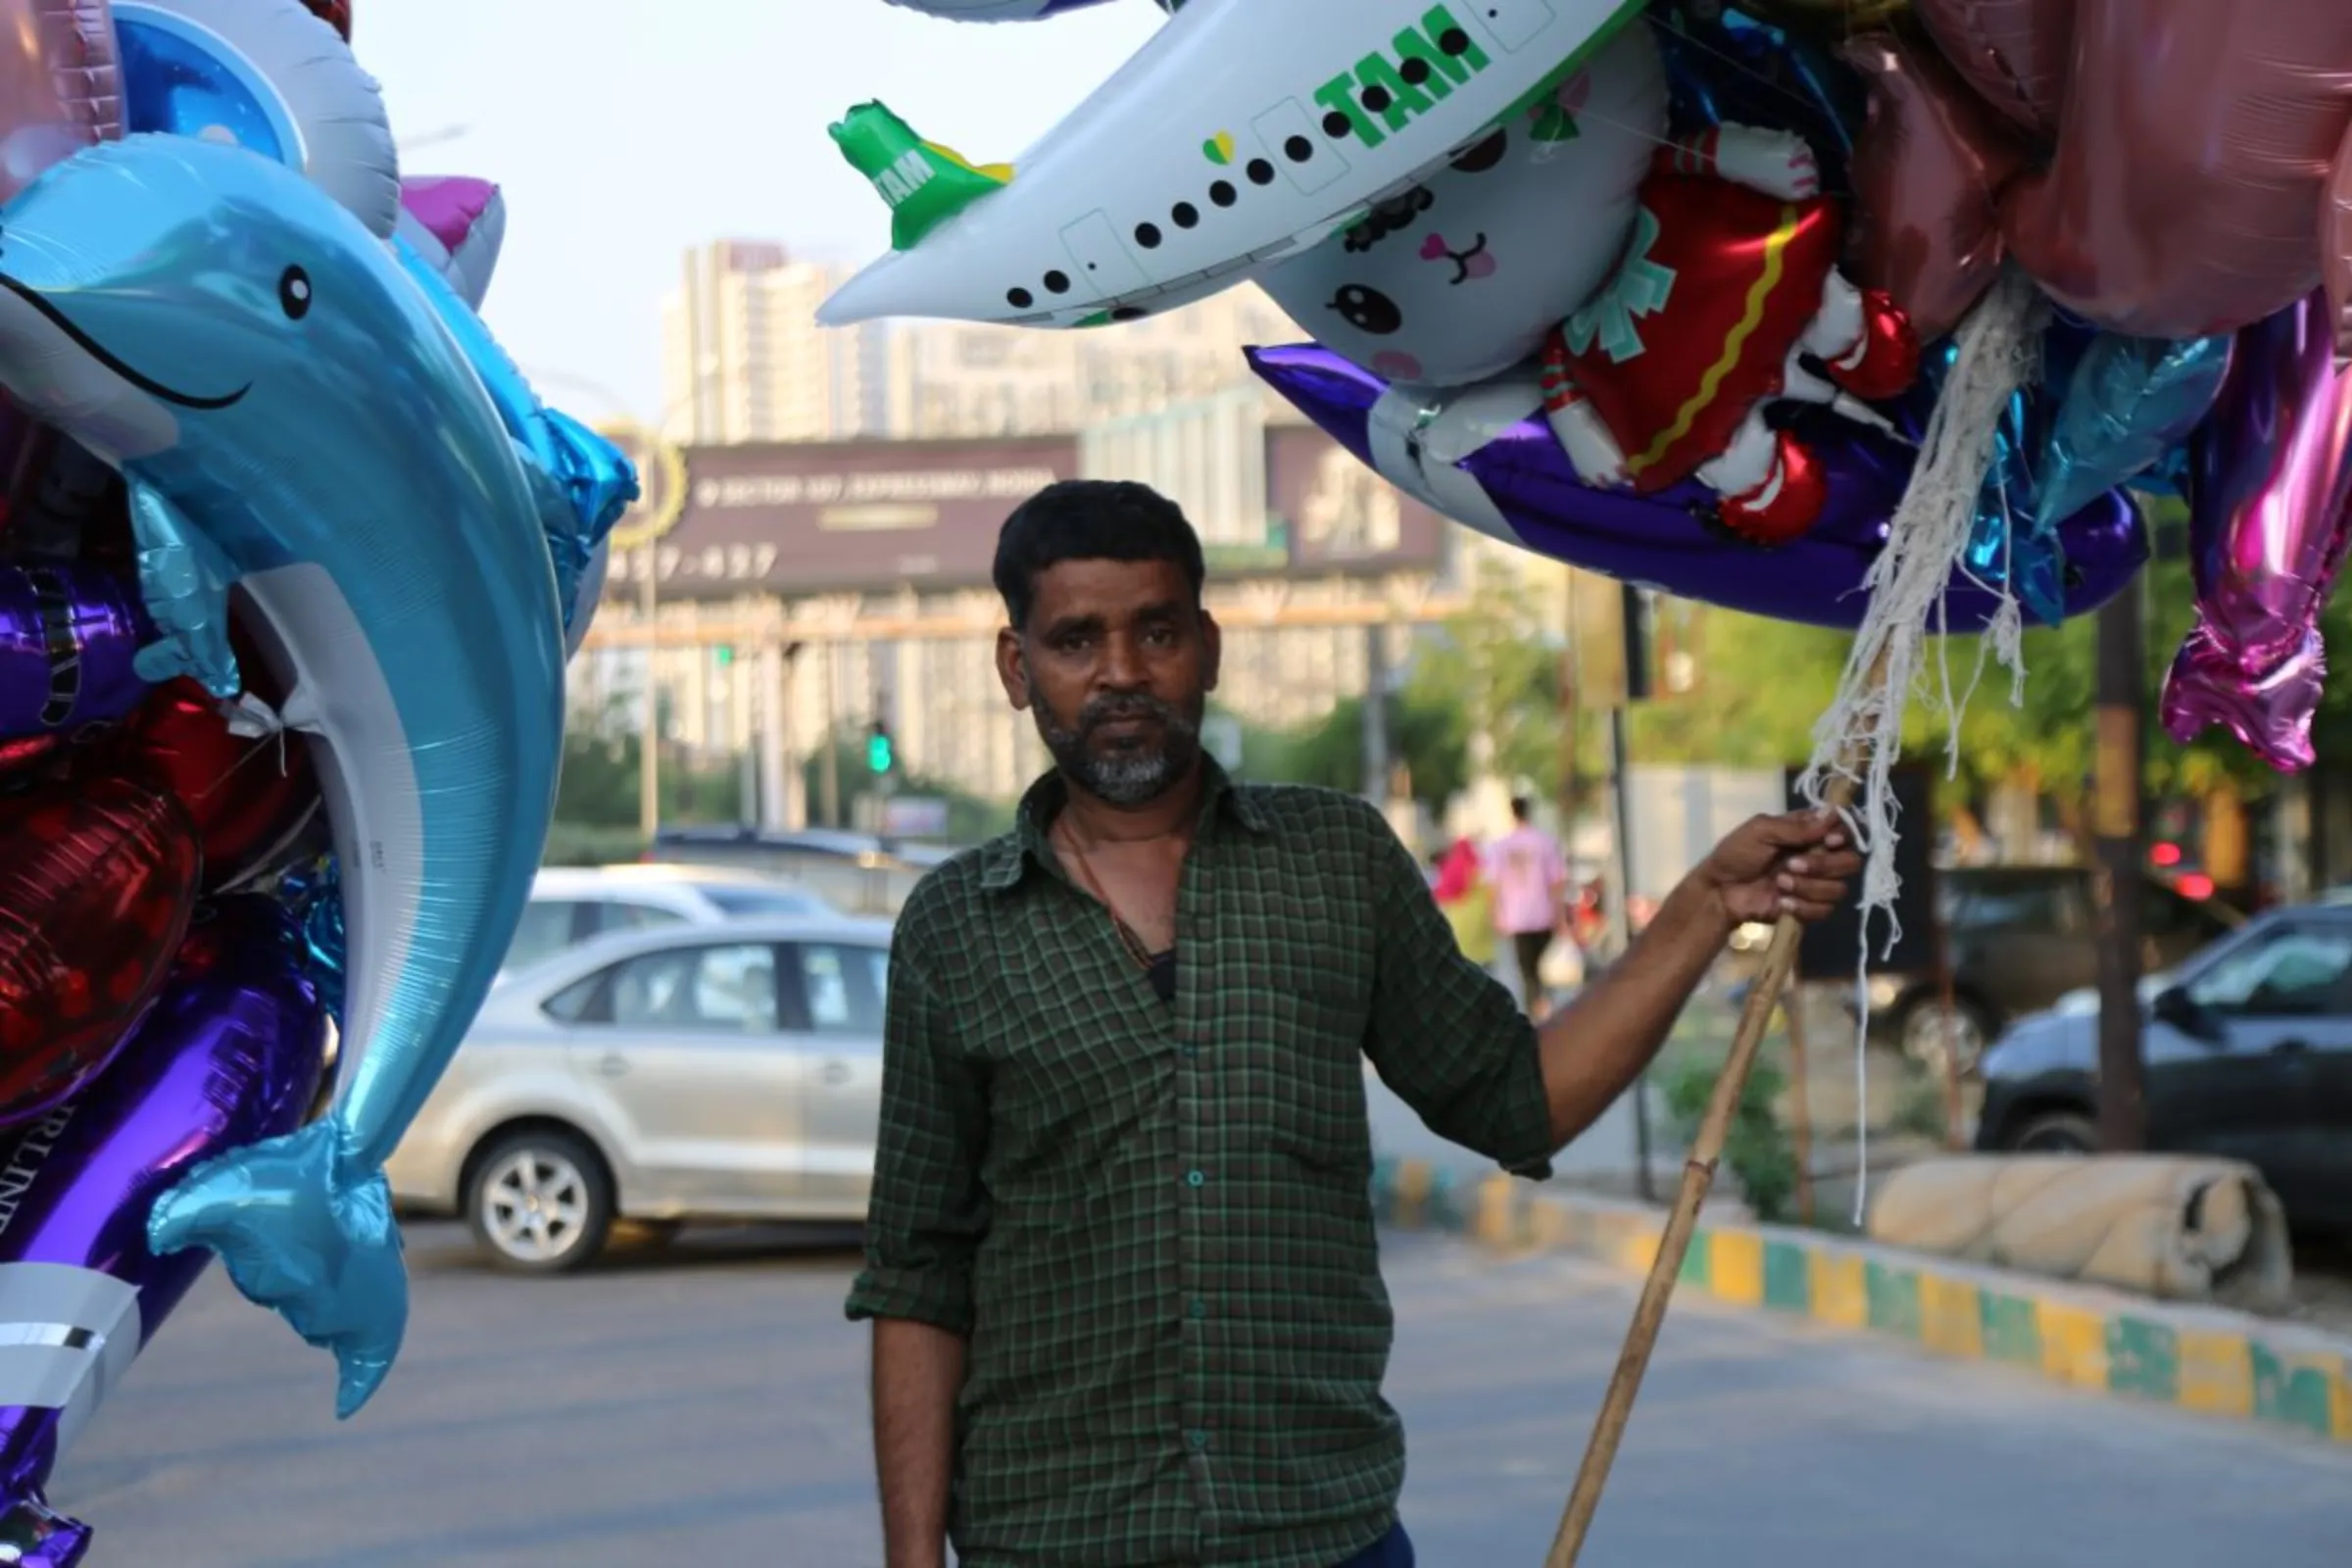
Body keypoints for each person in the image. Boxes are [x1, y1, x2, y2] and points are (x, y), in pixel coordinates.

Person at [847, 479, 1859, 1568]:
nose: (1123, 672)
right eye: (1076, 639)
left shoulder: (1336, 864)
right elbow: (920, 1271)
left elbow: (1523, 1098)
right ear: (1017, 668)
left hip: (1320, 1531)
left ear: (1210, 645)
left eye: (1157, 629)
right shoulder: (954, 929)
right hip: (1055, 1538)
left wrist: (1709, 902)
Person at [1487, 796, 1571, 1021]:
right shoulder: (1546, 842)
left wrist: (1496, 913)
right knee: (1544, 966)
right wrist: (1560, 914)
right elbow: (1557, 882)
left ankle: (1535, 1009)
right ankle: (1543, 1004)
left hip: (1516, 916)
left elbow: (1494, 884)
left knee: (1527, 969)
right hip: (1544, 913)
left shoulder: (1501, 846)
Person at [1431, 834, 1496, 971]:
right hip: (1483, 926)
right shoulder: (1482, 870)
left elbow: (1441, 893)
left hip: (1461, 926)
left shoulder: (1453, 869)